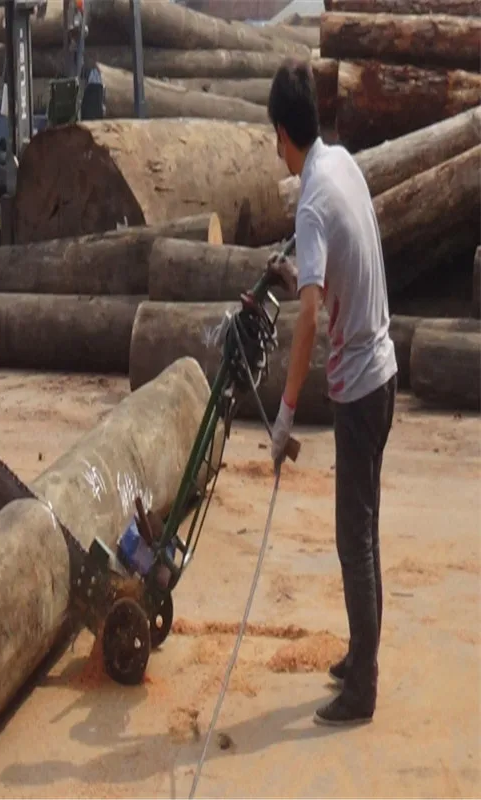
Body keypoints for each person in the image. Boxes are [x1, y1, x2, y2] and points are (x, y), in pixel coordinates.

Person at [265, 60, 398, 727]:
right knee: (364, 526)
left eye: (273, 138)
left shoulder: (310, 197)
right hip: (383, 366)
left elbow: (311, 318)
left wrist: (285, 417)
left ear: (284, 133)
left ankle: (363, 687)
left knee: (355, 536)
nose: (276, 151)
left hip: (359, 386)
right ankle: (361, 650)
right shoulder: (340, 160)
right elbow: (333, 270)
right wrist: (298, 273)